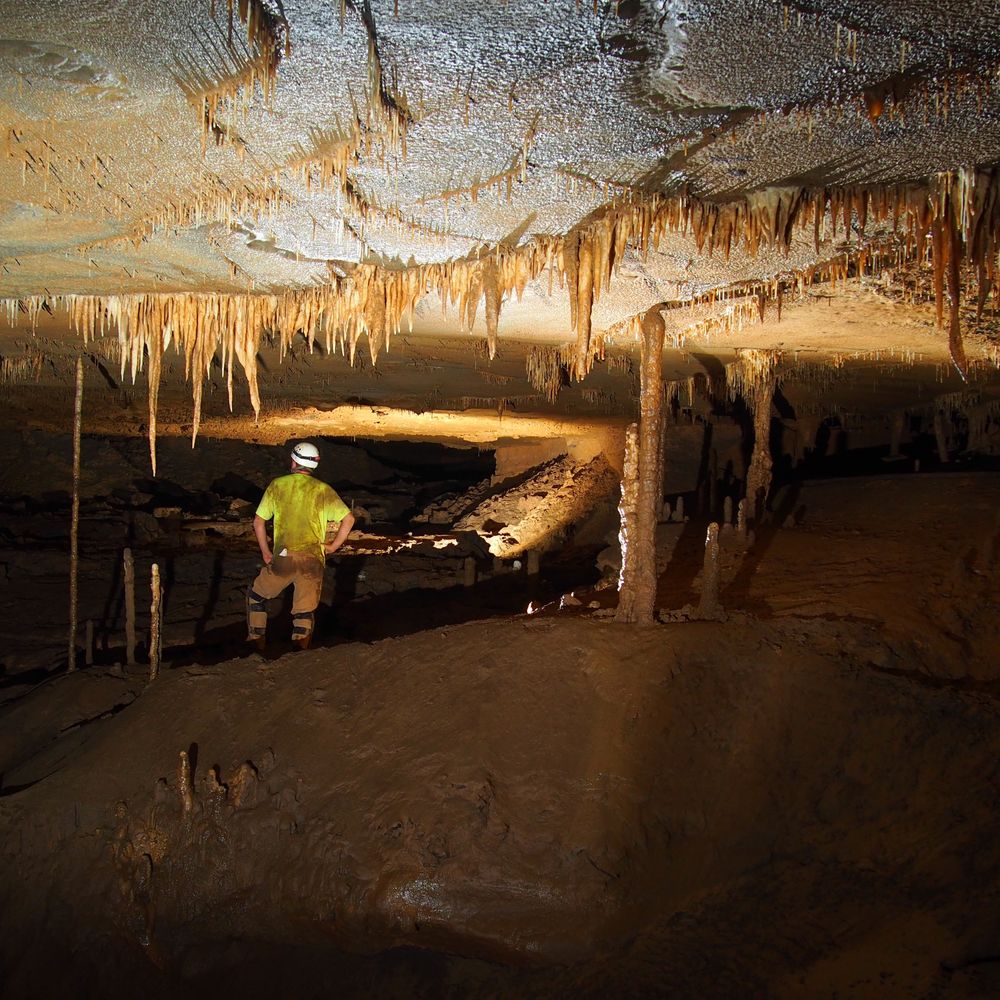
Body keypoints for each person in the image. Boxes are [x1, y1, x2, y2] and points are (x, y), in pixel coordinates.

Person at [247, 441, 355, 651]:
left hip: (285, 558)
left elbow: (258, 522)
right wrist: (333, 547)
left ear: (293, 461)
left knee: (256, 596)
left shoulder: (278, 485)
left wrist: (266, 552)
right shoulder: (323, 490)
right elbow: (349, 520)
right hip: (313, 561)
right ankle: (299, 655)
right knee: (304, 613)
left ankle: (255, 644)